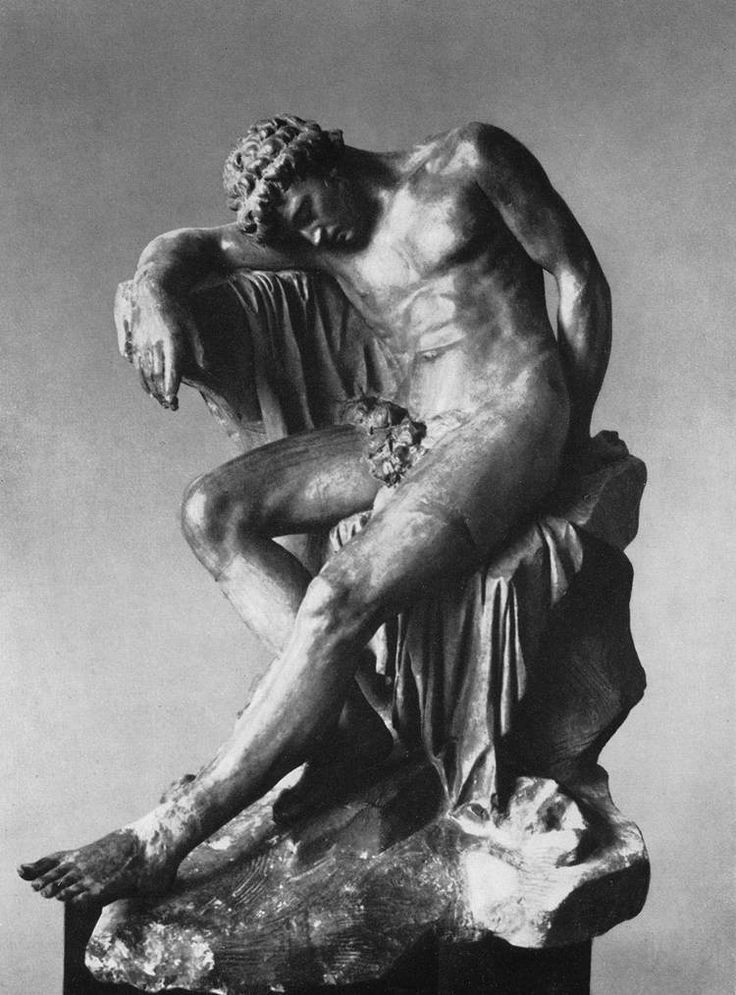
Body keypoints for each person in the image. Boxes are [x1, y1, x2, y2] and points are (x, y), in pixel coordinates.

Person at [19, 115, 611, 906]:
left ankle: (164, 834)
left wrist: (568, 438)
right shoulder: (318, 239)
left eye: (304, 211)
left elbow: (577, 275)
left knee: (337, 594)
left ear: (326, 161)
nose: (311, 237)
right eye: (293, 232)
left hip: (509, 411)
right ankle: (355, 717)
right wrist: (155, 290)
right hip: (414, 426)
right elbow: (193, 247)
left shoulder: (468, 162)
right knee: (212, 511)